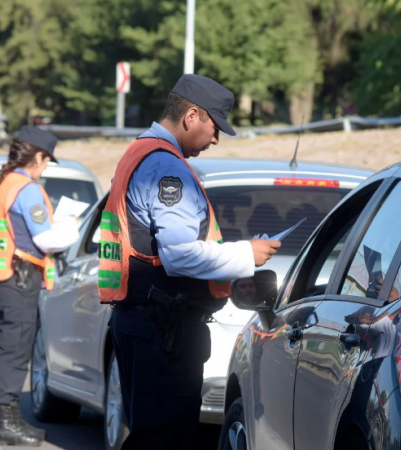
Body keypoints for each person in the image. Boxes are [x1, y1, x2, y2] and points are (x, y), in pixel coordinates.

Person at [98, 74, 281, 449]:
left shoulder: (140, 151)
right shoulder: (167, 168)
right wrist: (247, 253)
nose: (216, 139)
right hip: (163, 329)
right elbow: (179, 254)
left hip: (143, 322)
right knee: (165, 440)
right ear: (191, 116)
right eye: (215, 127)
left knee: (151, 436)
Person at [0, 126, 79, 447]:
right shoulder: (28, 189)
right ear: (38, 156)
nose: (47, 166)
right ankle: (5, 424)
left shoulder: (0, 184)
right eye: (47, 160)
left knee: (9, 347)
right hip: (19, 278)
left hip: (2, 278)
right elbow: (45, 240)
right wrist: (71, 229)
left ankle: (10, 419)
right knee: (15, 350)